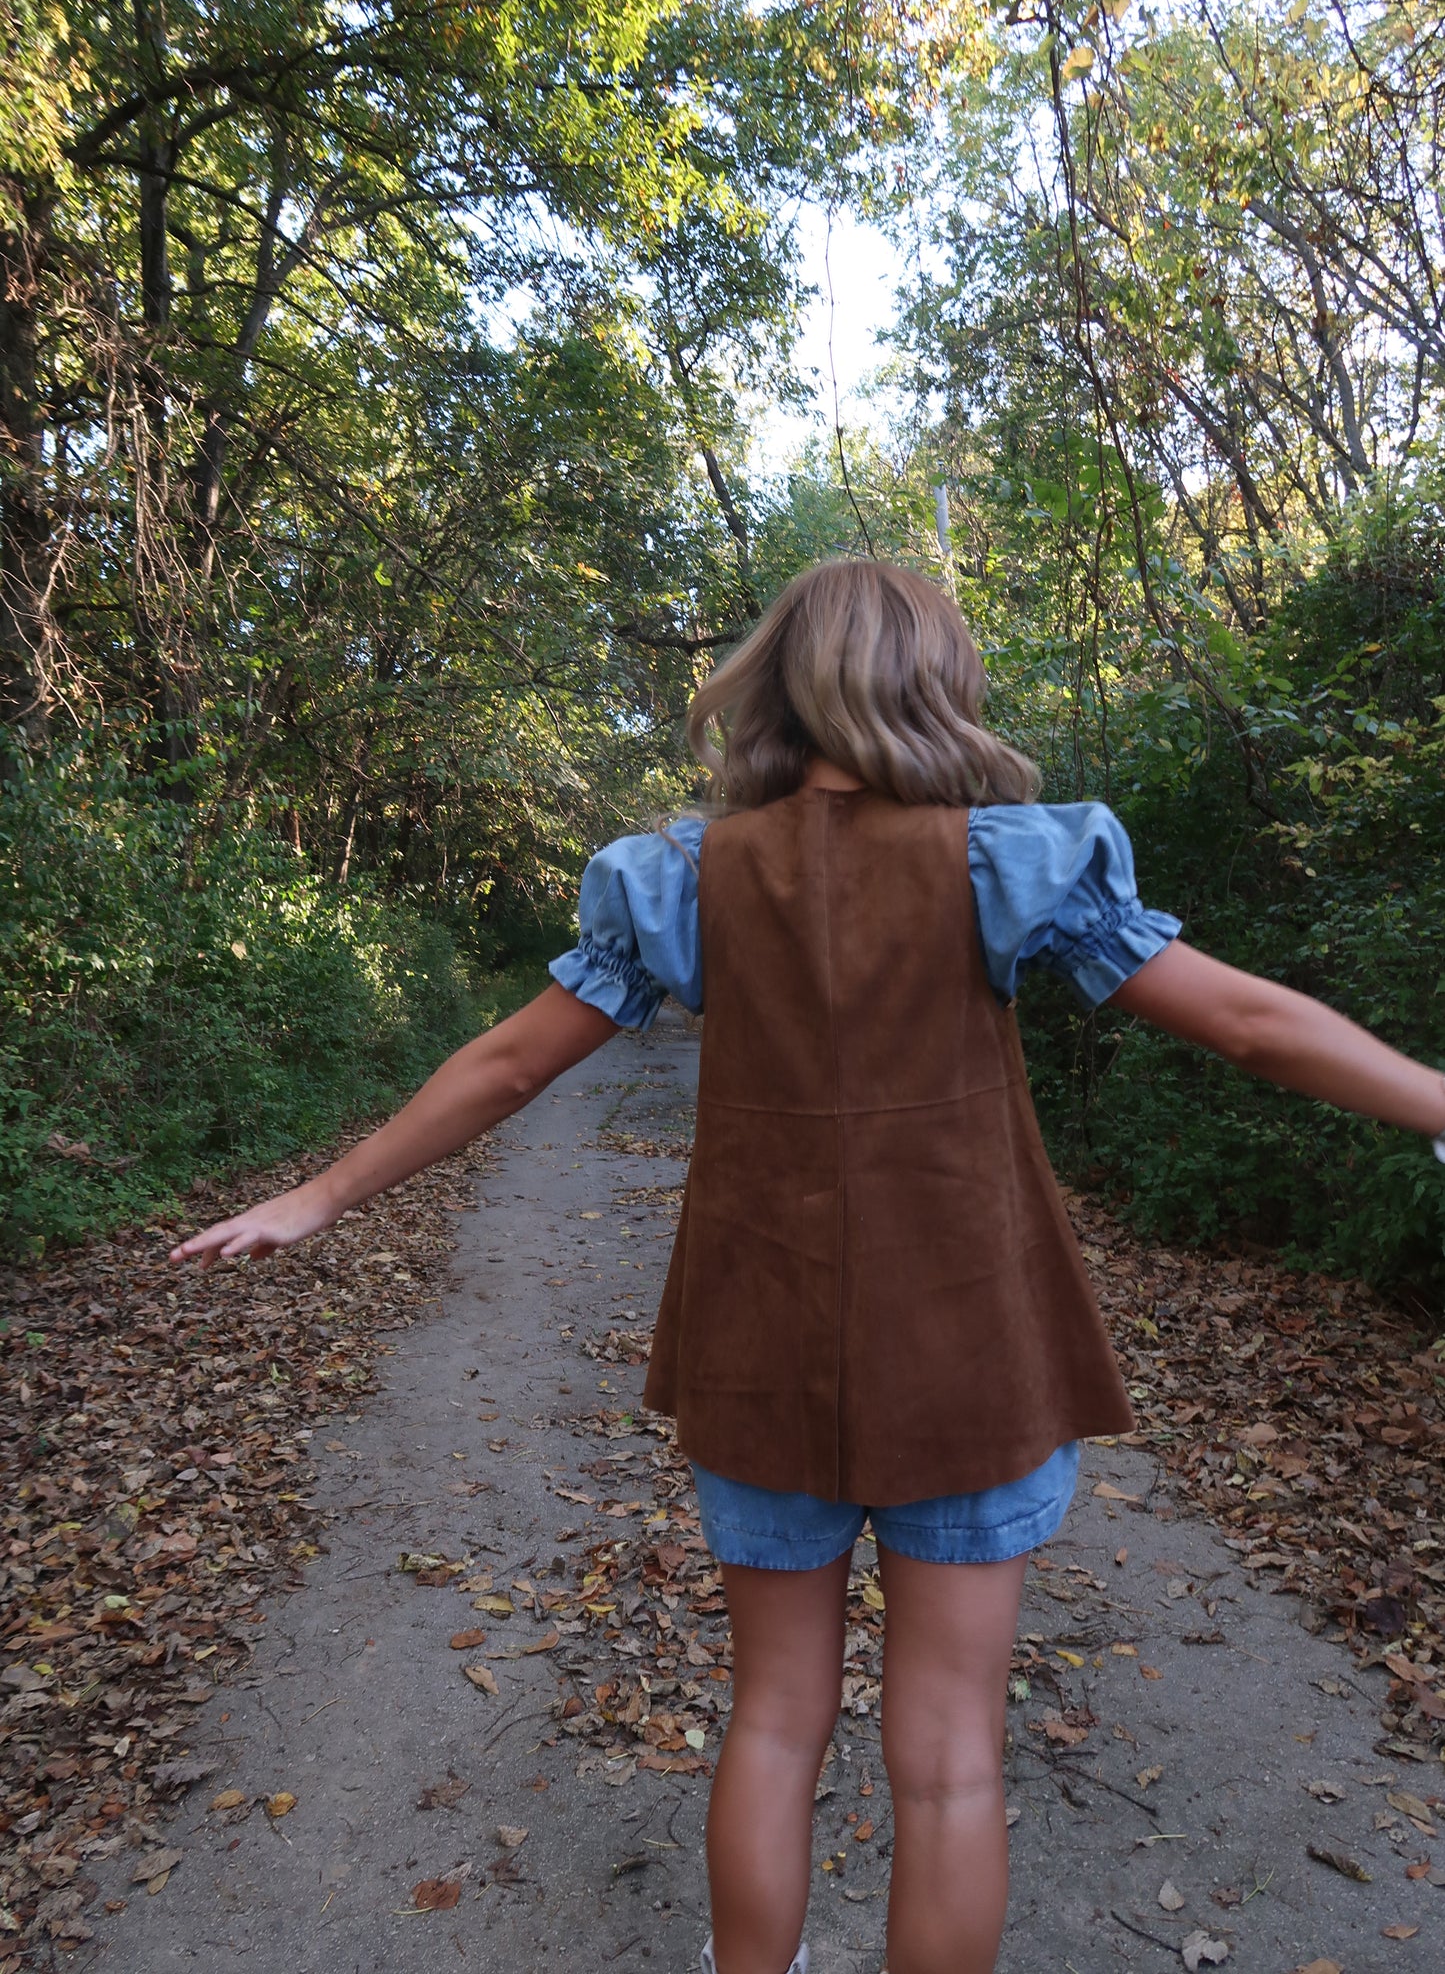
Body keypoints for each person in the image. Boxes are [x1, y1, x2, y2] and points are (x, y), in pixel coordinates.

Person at [174, 559, 1445, 1974]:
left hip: (758, 1353)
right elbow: (1252, 1025)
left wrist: (322, 1195)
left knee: (774, 1720)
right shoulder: (999, 863)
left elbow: (511, 1063)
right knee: (950, 1755)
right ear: (935, 681)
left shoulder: (684, 877)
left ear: (772, 688)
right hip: (971, 1362)